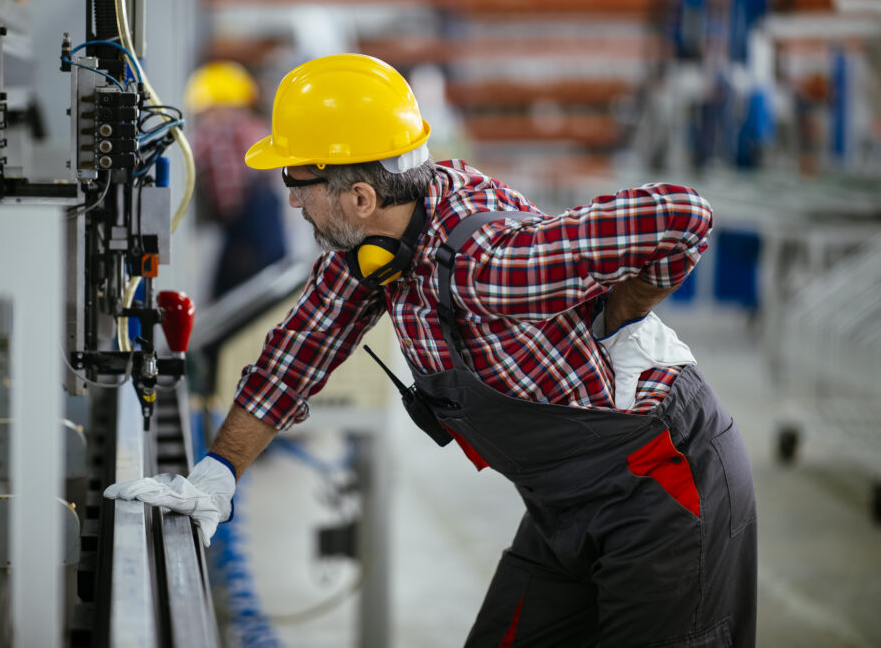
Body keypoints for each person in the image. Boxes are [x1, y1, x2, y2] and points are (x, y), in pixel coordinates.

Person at [107, 54, 757, 646]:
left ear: (360, 197)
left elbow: (682, 216)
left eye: (298, 181)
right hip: (567, 505)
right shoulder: (373, 251)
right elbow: (297, 353)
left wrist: (625, 310)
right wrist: (217, 476)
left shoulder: (488, 259)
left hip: (665, 486)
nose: (292, 200)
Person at [185, 60, 287, 298]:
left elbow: (227, 200)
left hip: (246, 238)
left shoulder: (217, 137)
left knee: (231, 298)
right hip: (264, 235)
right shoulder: (258, 130)